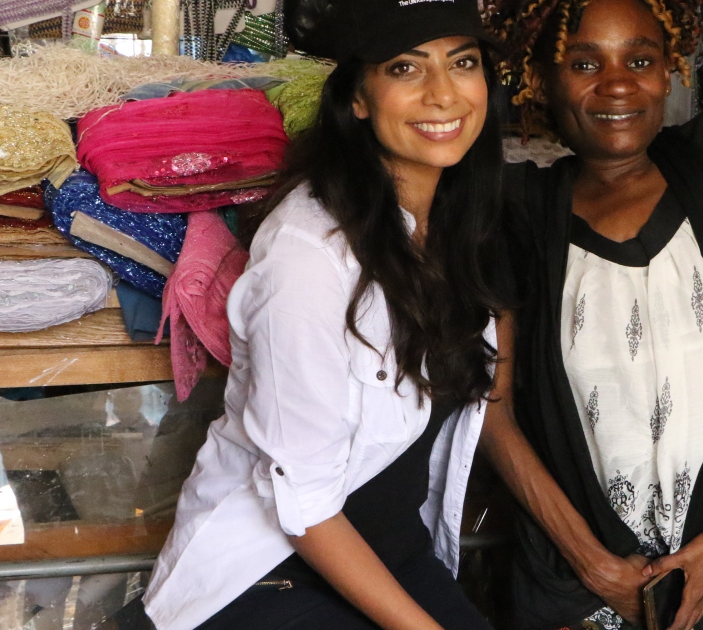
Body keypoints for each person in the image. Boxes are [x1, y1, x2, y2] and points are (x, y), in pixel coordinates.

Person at [131, 1, 508, 628]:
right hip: (273, 574)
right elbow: (303, 505)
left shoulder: (454, 226)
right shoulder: (308, 252)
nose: (444, 94)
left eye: (462, 63)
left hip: (391, 555)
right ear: (358, 98)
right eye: (406, 68)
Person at [481, 0, 703, 628]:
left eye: (639, 60)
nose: (617, 84)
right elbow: (492, 412)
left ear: (668, 70)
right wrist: (594, 565)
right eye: (585, 63)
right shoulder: (515, 214)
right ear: (541, 79)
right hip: (577, 579)